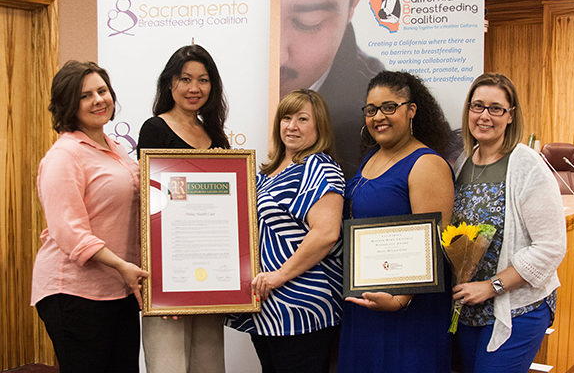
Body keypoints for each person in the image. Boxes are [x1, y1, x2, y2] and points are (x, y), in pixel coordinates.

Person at [31, 61, 148, 373]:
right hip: (72, 292)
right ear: (68, 104)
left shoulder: (116, 148)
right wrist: (122, 265)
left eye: (102, 90)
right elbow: (70, 232)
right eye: (85, 96)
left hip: (119, 288)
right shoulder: (64, 156)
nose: (99, 100)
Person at [337, 71, 455, 372]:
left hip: (408, 312)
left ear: (411, 110)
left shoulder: (427, 164)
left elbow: (434, 246)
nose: (379, 117)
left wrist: (401, 299)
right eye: (372, 109)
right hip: (367, 304)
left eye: (390, 107)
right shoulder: (372, 157)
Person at [451, 73, 566, 372]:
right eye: (477, 106)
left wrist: (491, 287)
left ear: (511, 115)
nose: (484, 116)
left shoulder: (527, 166)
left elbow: (551, 248)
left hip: (517, 309)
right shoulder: (461, 163)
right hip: (468, 311)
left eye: (495, 108)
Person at [226, 89, 345, 373]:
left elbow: (326, 234)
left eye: (303, 119)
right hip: (267, 309)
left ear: (320, 127)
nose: (292, 126)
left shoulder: (319, 167)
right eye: (286, 118)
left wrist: (279, 276)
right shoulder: (265, 174)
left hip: (301, 307)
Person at [136, 44, 230, 373]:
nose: (194, 88)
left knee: (209, 364)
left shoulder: (216, 134)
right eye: (185, 79)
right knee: (168, 365)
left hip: (209, 276)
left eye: (203, 80)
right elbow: (153, 209)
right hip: (169, 275)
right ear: (169, 83)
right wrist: (163, 282)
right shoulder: (154, 129)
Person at [281, 0, 384, 178]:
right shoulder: (270, 168)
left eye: (307, 22)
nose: (279, 56)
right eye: (286, 118)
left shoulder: (371, 93)